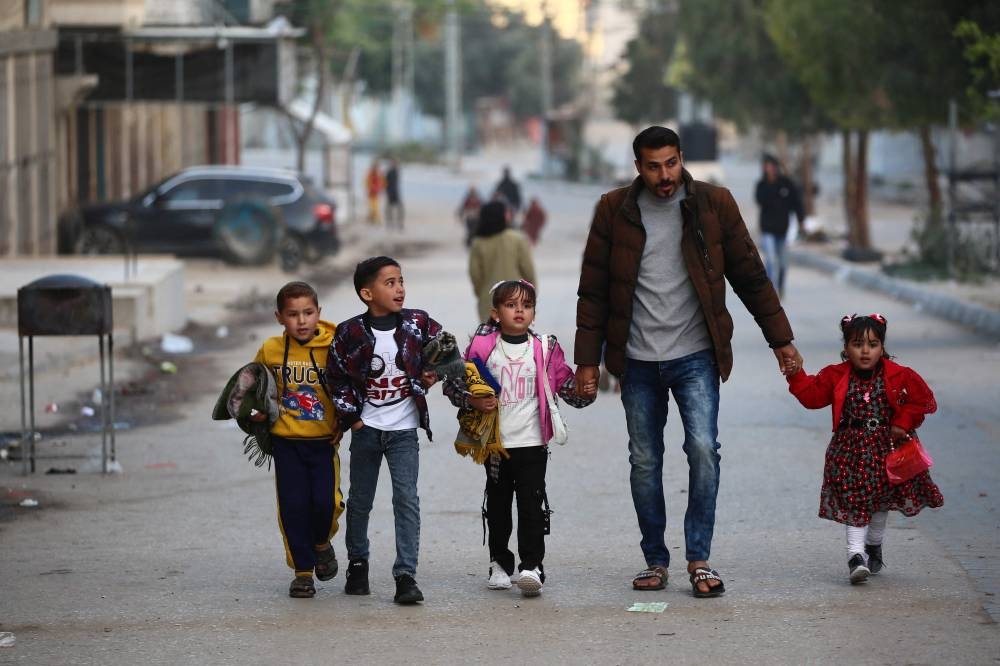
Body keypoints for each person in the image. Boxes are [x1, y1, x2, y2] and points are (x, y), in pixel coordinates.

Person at [573, 126, 802, 598]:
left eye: (671, 163)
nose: (664, 175)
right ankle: (655, 560)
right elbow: (593, 290)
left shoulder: (713, 205)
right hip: (636, 359)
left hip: (696, 353)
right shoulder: (614, 210)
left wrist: (781, 340)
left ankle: (699, 557)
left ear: (681, 159)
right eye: (654, 166)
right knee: (644, 460)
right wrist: (587, 362)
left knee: (703, 450)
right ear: (638, 166)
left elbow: (750, 276)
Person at [443, 280, 593, 597]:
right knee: (498, 505)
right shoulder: (483, 349)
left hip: (533, 443)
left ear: (534, 313)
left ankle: (532, 566)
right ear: (495, 313)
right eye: (511, 305)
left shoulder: (543, 348)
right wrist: (473, 400)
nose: (520, 310)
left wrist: (583, 391)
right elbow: (456, 385)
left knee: (531, 506)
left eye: (526, 305)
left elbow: (564, 386)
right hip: (496, 445)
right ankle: (499, 563)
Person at [785, 313, 943, 584]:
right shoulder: (836, 375)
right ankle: (855, 557)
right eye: (858, 344)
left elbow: (920, 401)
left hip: (888, 450)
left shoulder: (899, 375)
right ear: (846, 348)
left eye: (872, 344)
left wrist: (903, 421)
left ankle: (873, 545)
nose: (865, 350)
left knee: (880, 504)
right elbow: (811, 396)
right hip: (850, 452)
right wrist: (795, 374)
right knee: (857, 501)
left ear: (882, 347)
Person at [325, 256, 443, 605]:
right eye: (389, 283)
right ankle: (357, 564)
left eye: (401, 281)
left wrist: (431, 374)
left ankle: (406, 575)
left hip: (404, 430)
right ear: (367, 293)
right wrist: (353, 419)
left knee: (406, 499)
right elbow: (336, 377)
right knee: (360, 500)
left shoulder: (418, 323)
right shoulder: (349, 332)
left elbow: (447, 348)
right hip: (367, 430)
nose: (399, 289)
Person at [250, 281, 344, 599]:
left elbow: (349, 388)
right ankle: (302, 572)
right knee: (292, 507)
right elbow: (254, 387)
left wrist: (344, 421)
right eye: (293, 314)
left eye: (308, 313)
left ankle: (321, 543)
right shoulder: (270, 350)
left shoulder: (334, 348)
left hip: (323, 442)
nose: (301, 321)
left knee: (326, 503)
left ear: (319, 313)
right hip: (285, 443)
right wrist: (258, 413)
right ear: (279, 317)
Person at [469, 201, 537, 324]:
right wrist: (531, 295)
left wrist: (483, 293)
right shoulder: (517, 239)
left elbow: (475, 275)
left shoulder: (478, 243)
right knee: (516, 341)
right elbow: (528, 271)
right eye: (506, 212)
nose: (508, 215)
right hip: (517, 301)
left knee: (490, 340)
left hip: (489, 301)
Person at [754, 154, 804, 298]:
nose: (767, 169)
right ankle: (771, 289)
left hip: (783, 230)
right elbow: (759, 200)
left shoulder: (786, 184)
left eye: (770, 166)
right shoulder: (762, 185)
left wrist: (801, 221)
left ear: (776, 167)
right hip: (767, 229)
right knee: (770, 259)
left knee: (782, 263)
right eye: (765, 166)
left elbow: (796, 203)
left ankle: (781, 286)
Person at [385, 158, 404, 230]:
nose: (395, 164)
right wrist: (387, 192)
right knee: (390, 209)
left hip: (395, 192)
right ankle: (390, 224)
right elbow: (386, 183)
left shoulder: (396, 171)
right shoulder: (390, 172)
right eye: (394, 163)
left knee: (399, 209)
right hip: (391, 192)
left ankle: (399, 224)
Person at [365, 159, 385, 225]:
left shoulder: (378, 174)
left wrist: (380, 188)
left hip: (375, 192)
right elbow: (367, 182)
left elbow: (382, 182)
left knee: (374, 206)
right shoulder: (371, 173)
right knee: (373, 206)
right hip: (372, 192)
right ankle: (374, 219)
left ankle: (373, 219)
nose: (376, 168)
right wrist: (373, 187)